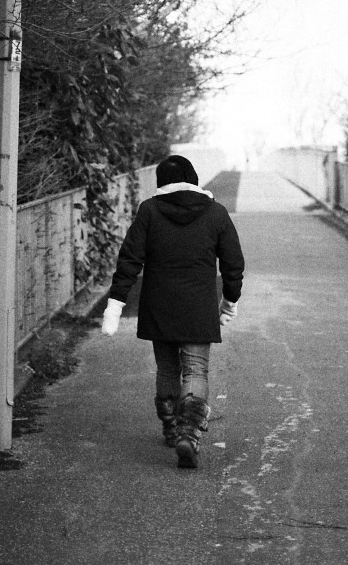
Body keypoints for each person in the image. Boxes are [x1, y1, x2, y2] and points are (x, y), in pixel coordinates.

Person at [101, 155, 244, 469]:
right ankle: (189, 433)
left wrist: (115, 305)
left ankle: (169, 425)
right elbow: (233, 264)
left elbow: (129, 260)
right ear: (193, 180)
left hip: (159, 305)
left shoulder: (150, 211)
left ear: (161, 184)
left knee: (167, 369)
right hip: (198, 308)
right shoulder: (216, 214)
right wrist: (229, 301)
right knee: (195, 370)